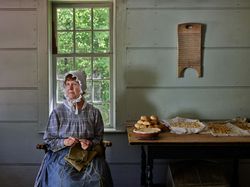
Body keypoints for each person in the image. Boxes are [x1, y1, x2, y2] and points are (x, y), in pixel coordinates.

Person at [34, 70, 113, 187]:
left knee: (98, 178)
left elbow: (98, 137)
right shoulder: (58, 112)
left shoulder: (93, 112)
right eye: (67, 84)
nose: (70, 88)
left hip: (88, 154)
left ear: (82, 87)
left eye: (74, 84)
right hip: (62, 154)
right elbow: (49, 139)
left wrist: (89, 143)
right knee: (66, 182)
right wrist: (65, 142)